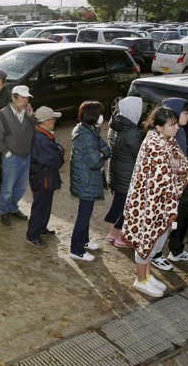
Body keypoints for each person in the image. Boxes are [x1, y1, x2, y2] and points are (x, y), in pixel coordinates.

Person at [123, 107, 188, 297]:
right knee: (146, 239)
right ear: (159, 126)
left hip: (159, 204)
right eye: (172, 125)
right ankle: (141, 279)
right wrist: (176, 166)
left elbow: (181, 163)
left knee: (155, 241)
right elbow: (165, 175)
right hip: (148, 205)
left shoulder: (166, 140)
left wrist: (178, 165)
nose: (176, 128)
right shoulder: (154, 144)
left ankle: (146, 275)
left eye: (176, 124)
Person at [152, 98, 188, 271]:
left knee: (176, 219)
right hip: (166, 190)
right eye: (185, 112)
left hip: (177, 187)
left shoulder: (180, 132)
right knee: (162, 222)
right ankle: (155, 255)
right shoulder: (161, 140)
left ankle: (173, 249)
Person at [69, 101, 111, 261]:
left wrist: (103, 152)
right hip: (85, 180)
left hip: (87, 179)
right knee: (83, 215)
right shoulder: (85, 134)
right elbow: (95, 162)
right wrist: (102, 155)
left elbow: (105, 148)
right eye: (99, 114)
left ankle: (84, 241)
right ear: (92, 116)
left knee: (86, 212)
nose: (102, 116)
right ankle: (76, 249)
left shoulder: (89, 129)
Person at [0, 85, 36, 226]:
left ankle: (13, 208)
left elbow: (36, 131)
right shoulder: (2, 115)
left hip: (26, 155)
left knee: (21, 187)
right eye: (23, 97)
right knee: (8, 187)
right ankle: (4, 211)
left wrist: (31, 117)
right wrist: (7, 153)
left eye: (27, 97)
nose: (26, 100)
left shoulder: (28, 113)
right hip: (12, 157)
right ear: (13, 97)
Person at [104, 97, 143, 249]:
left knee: (117, 203)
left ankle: (112, 234)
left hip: (115, 172)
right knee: (126, 207)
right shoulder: (132, 131)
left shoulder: (115, 124)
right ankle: (120, 238)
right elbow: (139, 154)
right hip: (127, 175)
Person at [26, 106, 65, 248]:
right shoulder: (42, 139)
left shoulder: (43, 135)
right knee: (40, 206)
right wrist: (60, 153)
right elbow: (55, 161)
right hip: (43, 179)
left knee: (45, 205)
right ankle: (32, 235)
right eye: (53, 119)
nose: (54, 121)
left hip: (45, 178)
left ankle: (41, 228)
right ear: (46, 121)